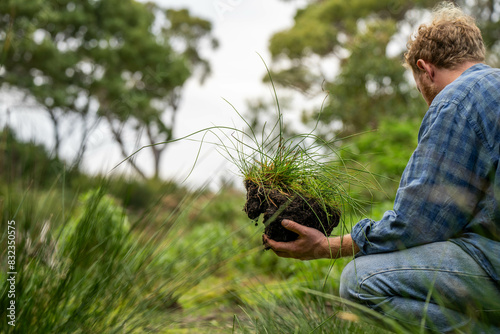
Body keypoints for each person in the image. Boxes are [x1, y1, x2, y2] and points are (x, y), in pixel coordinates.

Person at [263, 3, 500, 332]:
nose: (427, 100)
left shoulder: (456, 99)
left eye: (421, 91)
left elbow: (417, 225)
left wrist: (325, 247)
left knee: (360, 280)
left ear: (425, 69)